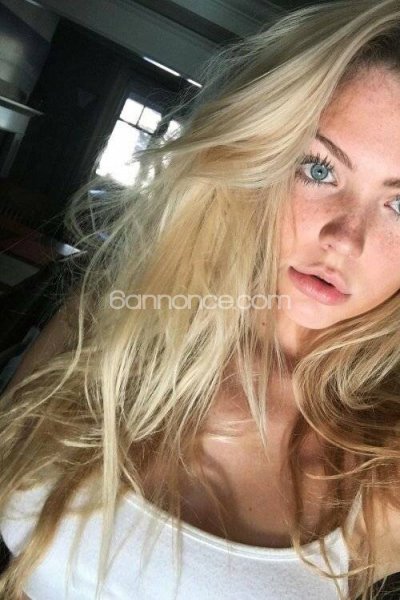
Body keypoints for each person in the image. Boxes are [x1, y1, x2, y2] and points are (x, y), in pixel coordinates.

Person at [1, 0, 400, 598]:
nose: (345, 239)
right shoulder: (109, 320)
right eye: (318, 170)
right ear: (256, 159)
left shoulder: (385, 470)